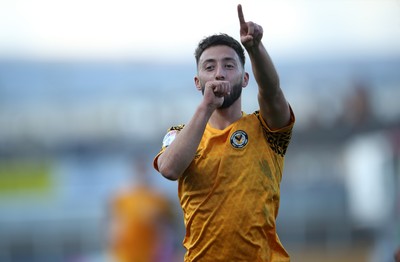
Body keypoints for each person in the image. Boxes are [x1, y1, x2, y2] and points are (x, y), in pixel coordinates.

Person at [153, 4, 295, 262]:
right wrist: (207, 106)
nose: (219, 73)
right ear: (198, 83)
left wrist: (255, 49)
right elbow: (168, 169)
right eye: (209, 67)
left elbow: (272, 92)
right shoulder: (179, 135)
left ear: (245, 78)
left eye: (229, 66)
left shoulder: (268, 130)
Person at [108, 158, 175, 262]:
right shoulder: (122, 196)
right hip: (128, 250)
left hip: (151, 250)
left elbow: (167, 224)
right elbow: (114, 222)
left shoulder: (158, 196)